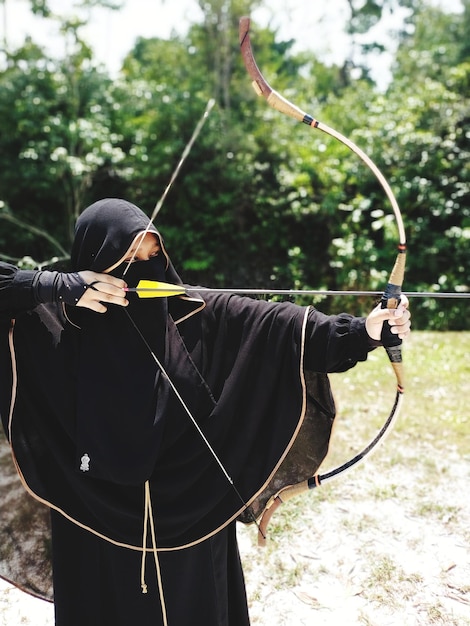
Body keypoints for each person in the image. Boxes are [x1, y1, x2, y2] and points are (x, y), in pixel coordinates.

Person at [0, 198, 411, 626]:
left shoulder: (195, 313)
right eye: (126, 257)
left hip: (190, 509)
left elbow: (285, 328)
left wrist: (365, 331)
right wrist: (55, 286)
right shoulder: (50, 326)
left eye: (152, 253)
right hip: (91, 514)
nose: (143, 266)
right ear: (91, 262)